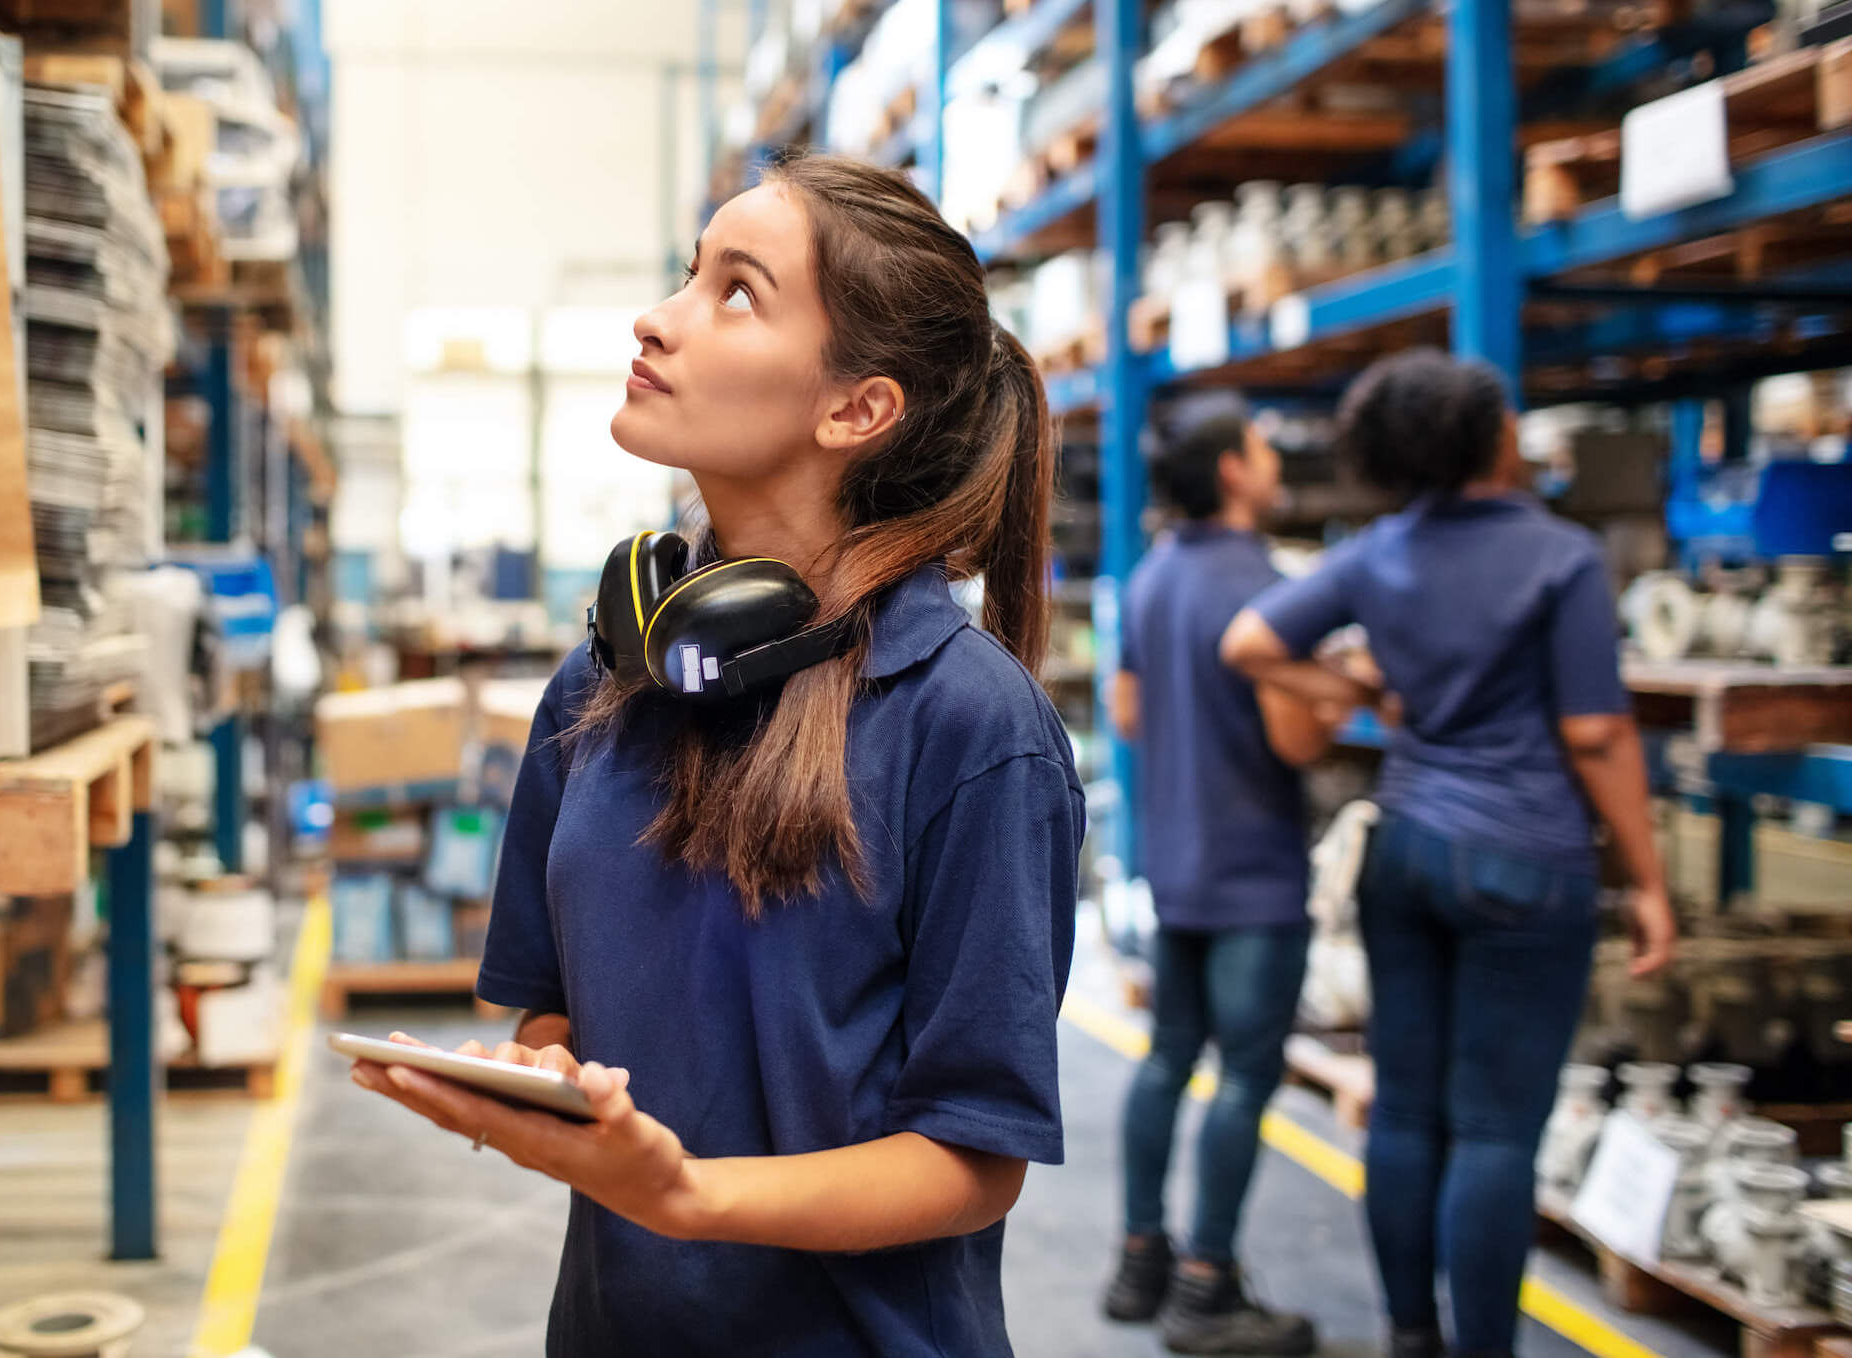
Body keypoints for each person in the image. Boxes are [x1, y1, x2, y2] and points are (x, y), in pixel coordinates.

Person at [344, 152, 1082, 1357]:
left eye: (736, 291)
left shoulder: (970, 729)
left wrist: (685, 1194)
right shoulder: (606, 681)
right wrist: (553, 1092)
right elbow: (559, 1015)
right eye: (690, 272)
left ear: (857, 408)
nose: (659, 315)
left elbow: (971, 1153)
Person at [1220, 349, 1677, 1358]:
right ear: (1489, 438)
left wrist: (1364, 696)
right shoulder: (1560, 557)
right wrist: (1648, 879)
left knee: (1407, 1109)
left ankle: (1410, 1334)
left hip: (1409, 846)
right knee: (1496, 1130)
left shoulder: (1376, 553)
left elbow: (1251, 641)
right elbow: (1599, 732)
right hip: (1526, 858)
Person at [1103, 401, 1337, 1356]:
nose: (1273, 455)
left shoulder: (1152, 579)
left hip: (1180, 864)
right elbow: (1294, 735)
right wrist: (1334, 695)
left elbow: (1126, 713)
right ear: (1235, 474)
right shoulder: (1274, 589)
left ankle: (1138, 1258)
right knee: (1244, 1077)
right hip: (1257, 874)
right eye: (1260, 444)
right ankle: (1208, 1283)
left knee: (1167, 1059)